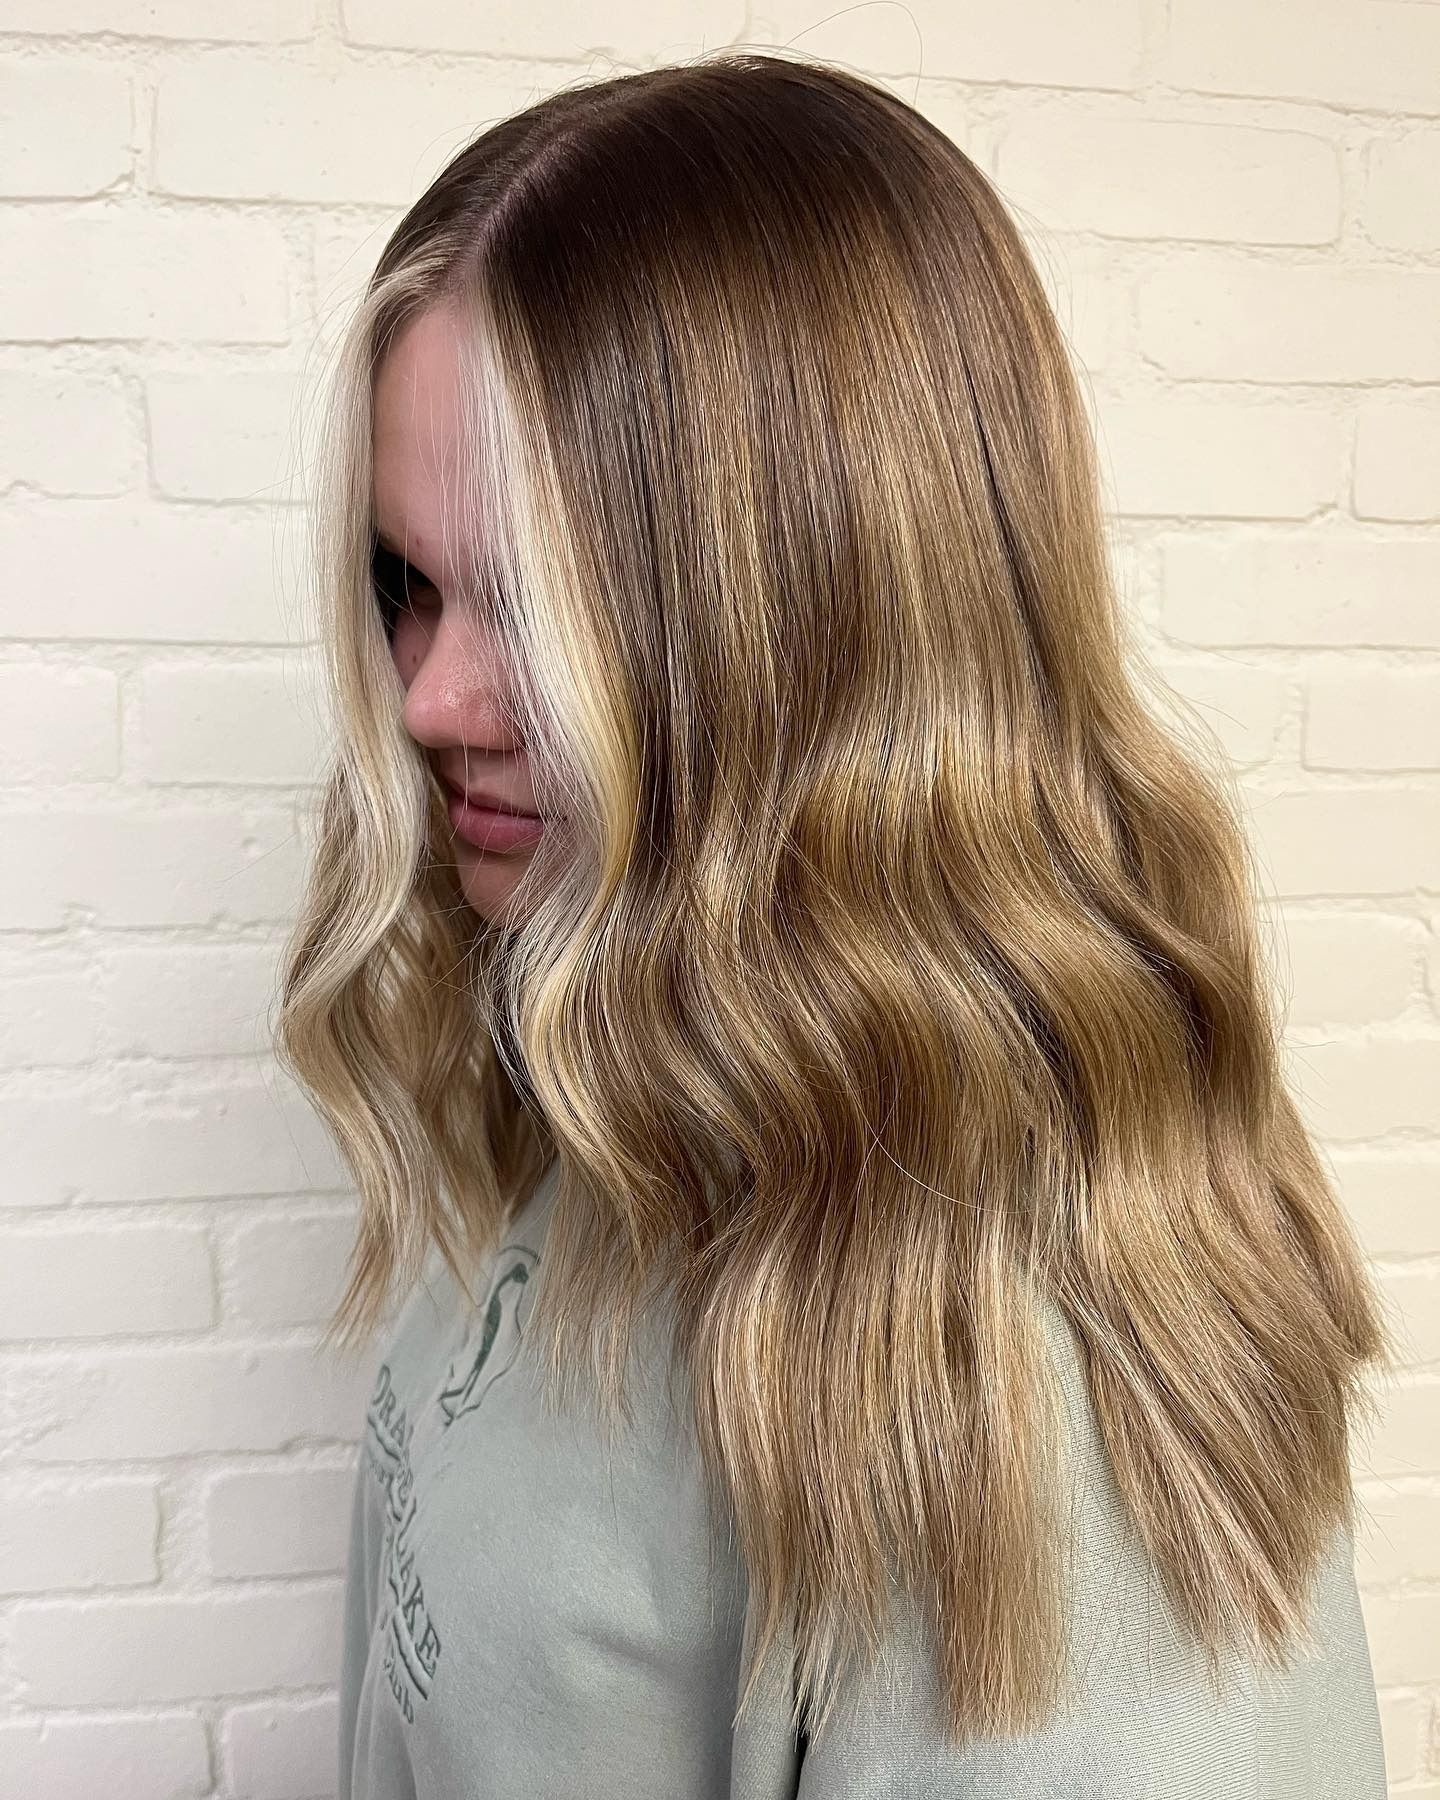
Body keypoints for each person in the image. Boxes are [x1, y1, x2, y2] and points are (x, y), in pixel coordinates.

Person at [276, 48, 1393, 1800]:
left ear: (820, 635)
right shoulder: (630, 1056)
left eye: (539, 605)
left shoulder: (1017, 1372)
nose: (426, 699)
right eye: (408, 586)